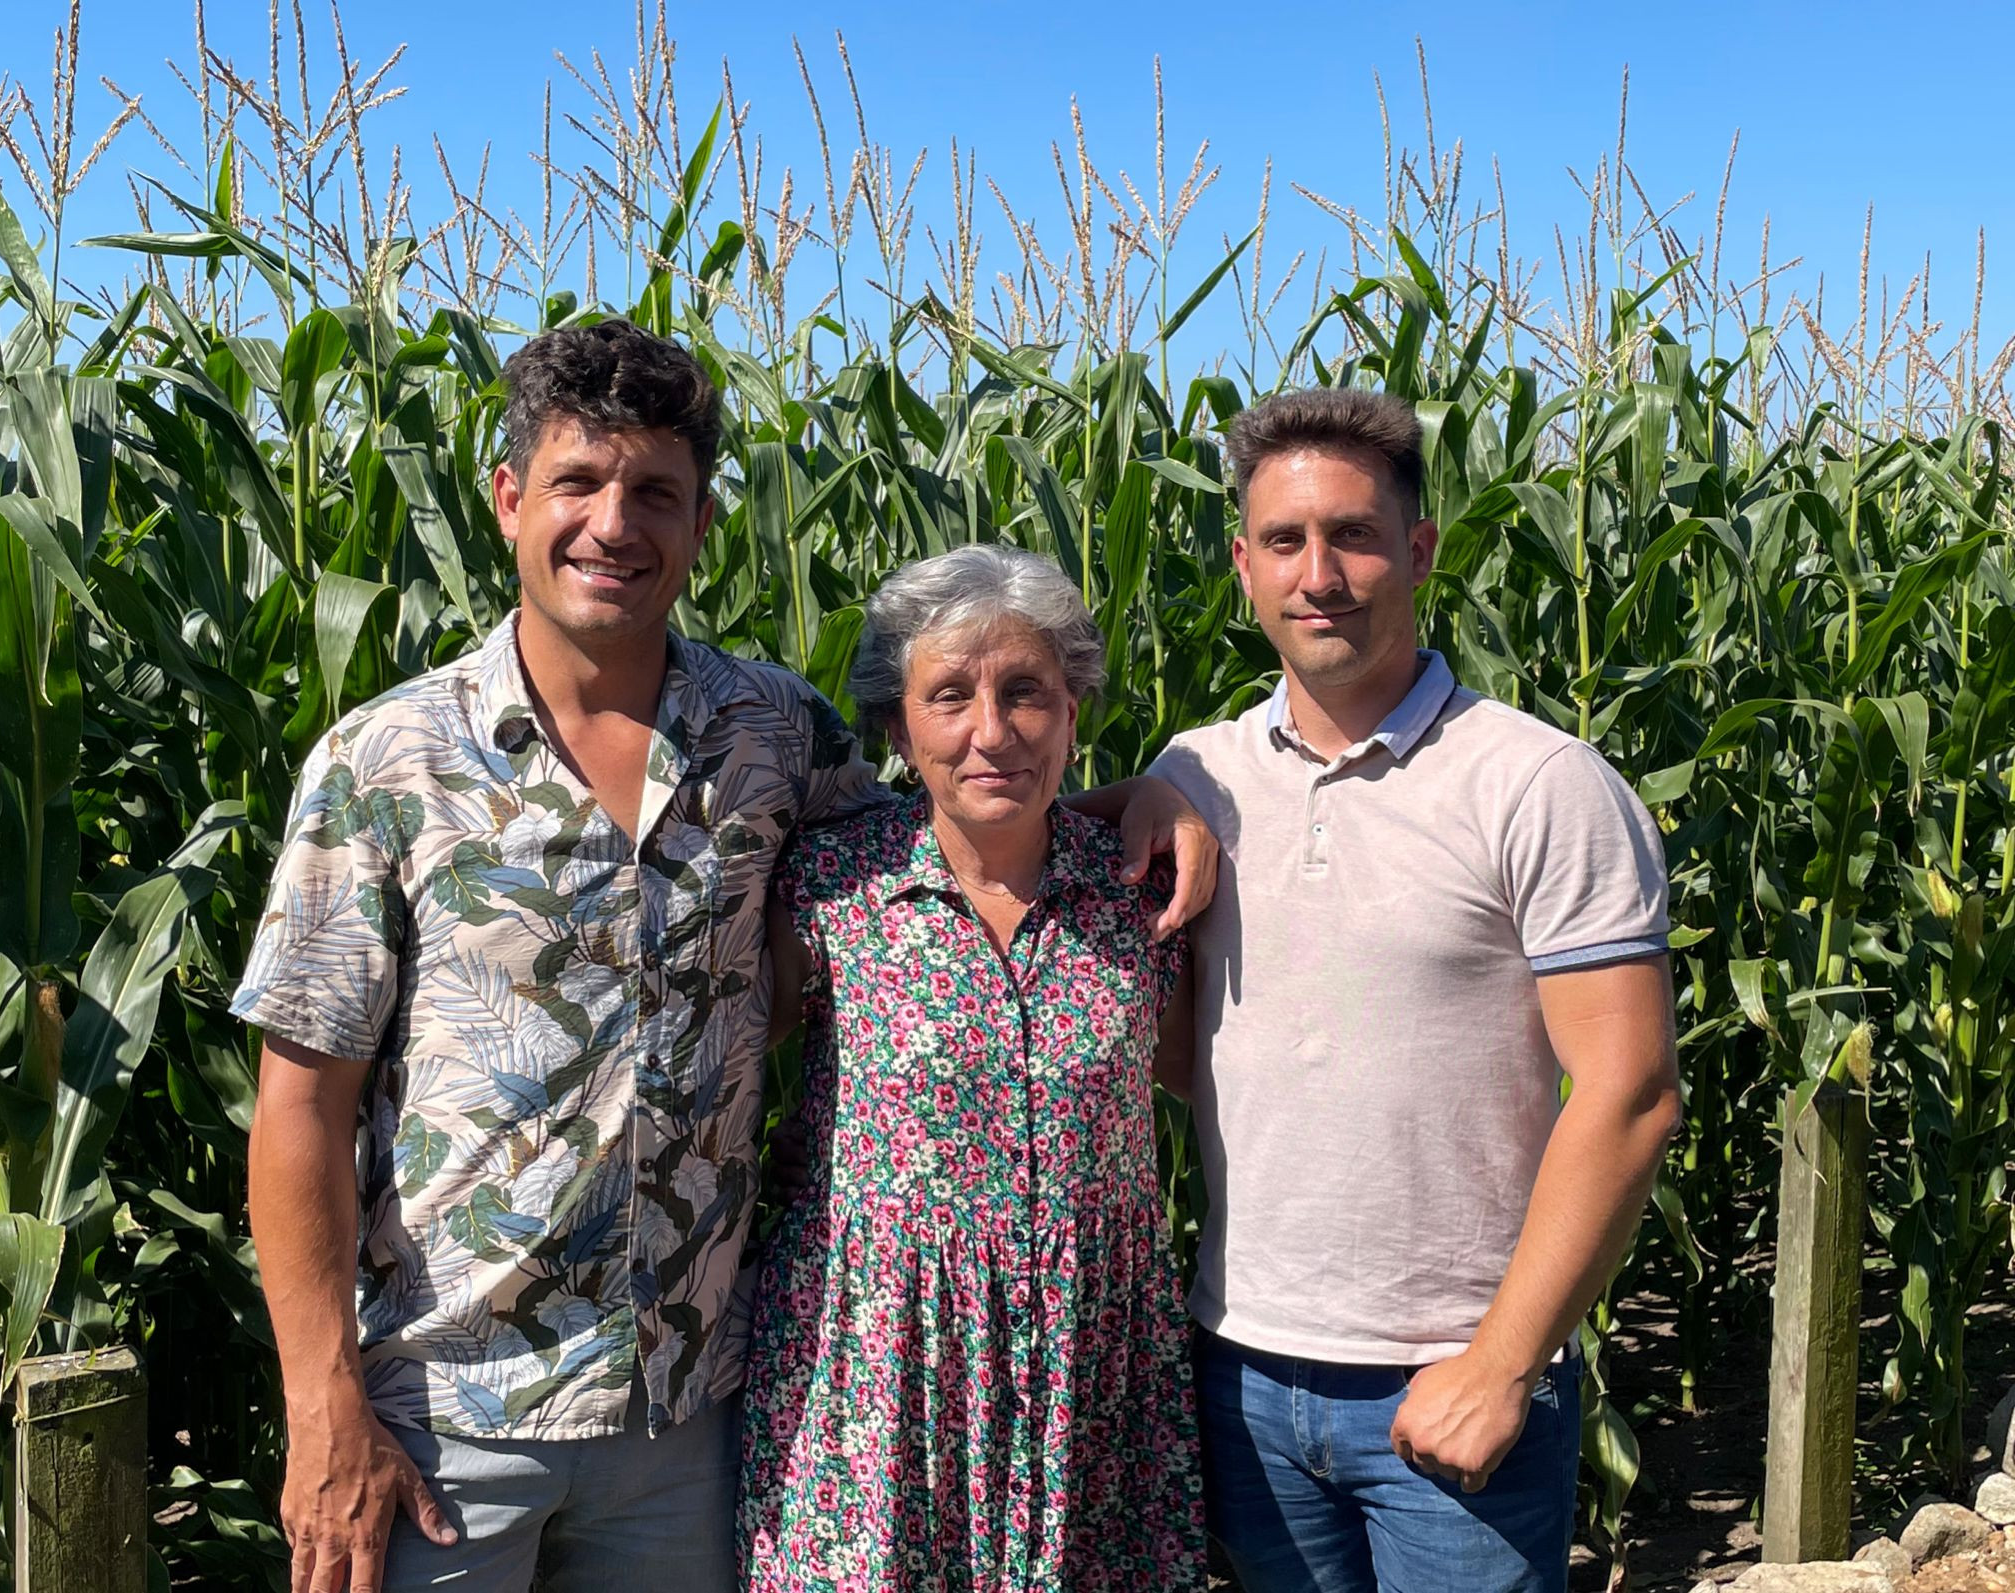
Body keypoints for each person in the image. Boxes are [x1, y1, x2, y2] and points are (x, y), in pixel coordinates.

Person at [233, 320, 1216, 1593]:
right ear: (507, 498)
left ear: (699, 524)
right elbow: (299, 1105)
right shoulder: (386, 763)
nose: (612, 525)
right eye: (578, 483)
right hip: (450, 1418)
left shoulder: (773, 733)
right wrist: (323, 1409)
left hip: (690, 1411)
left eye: (655, 493)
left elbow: (959, 825)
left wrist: (1145, 796)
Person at [1150, 387, 1682, 1593]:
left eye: (1355, 535)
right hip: (1239, 1369)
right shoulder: (1197, 774)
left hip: (1450, 1379)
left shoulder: (1537, 783)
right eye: (1283, 542)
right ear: (1241, 564)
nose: (1318, 573)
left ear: (1421, 551)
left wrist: (1501, 1366)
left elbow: (1631, 1089)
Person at [738, 545, 1205, 1591]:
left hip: (1092, 1374)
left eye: (1026, 692)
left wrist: (1163, 794)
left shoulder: (1143, 893)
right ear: (898, 729)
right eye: (948, 696)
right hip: (881, 1371)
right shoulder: (825, 888)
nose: (990, 732)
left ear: (1073, 712)